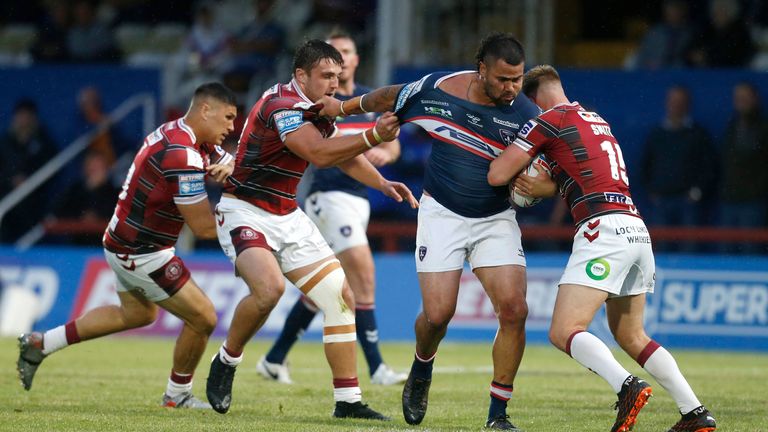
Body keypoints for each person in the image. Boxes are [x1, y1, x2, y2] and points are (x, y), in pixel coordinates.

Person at [317, 32, 540, 430]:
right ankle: (422, 367)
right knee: (438, 315)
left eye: (518, 79)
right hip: (442, 215)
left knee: (515, 310)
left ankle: (498, 414)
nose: (511, 88)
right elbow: (388, 97)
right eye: (503, 79)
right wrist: (344, 108)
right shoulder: (438, 89)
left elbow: (549, 165)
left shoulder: (525, 114)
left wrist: (543, 187)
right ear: (482, 69)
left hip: (495, 218)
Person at [488, 64, 717, 432]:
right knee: (631, 335)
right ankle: (695, 413)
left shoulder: (548, 120)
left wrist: (517, 173)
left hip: (602, 230)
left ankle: (626, 386)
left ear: (534, 100)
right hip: (635, 229)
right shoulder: (595, 120)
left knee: (563, 331)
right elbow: (571, 175)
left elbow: (498, 174)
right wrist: (544, 185)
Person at [205, 39, 418, 420]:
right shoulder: (282, 105)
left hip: (288, 214)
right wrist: (374, 136)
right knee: (269, 290)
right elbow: (318, 154)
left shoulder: (320, 110)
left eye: (337, 76)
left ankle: (348, 401)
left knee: (341, 297)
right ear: (300, 75)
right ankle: (227, 360)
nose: (334, 84)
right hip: (245, 210)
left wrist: (382, 183)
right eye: (325, 76)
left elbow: (340, 152)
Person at [16, 82, 238, 409]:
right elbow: (204, 228)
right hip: (142, 251)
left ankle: (41, 343)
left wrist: (232, 166)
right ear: (206, 110)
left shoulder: (180, 133)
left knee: (135, 314)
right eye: (229, 117)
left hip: (124, 241)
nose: (232, 127)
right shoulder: (182, 153)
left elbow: (229, 161)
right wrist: (247, 219)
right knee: (203, 317)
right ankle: (176, 396)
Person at [255, 30, 407, 387]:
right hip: (330, 197)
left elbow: (391, 142)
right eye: (333, 55)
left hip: (359, 199)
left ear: (352, 61)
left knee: (325, 289)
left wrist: (387, 152)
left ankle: (274, 358)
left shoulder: (365, 100)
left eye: (347, 52)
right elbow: (327, 151)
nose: (339, 62)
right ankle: (378, 367)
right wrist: (369, 143)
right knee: (363, 277)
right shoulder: (317, 106)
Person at [640, 85, 716, 251]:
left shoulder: (698, 133)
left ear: (688, 105)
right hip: (661, 201)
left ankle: (689, 276)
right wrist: (652, 190)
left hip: (688, 202)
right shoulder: (657, 133)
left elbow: (709, 166)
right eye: (672, 101)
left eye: (680, 102)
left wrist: (697, 192)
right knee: (660, 247)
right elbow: (646, 164)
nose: (676, 106)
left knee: (690, 246)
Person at [718, 81, 768, 254]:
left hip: (754, 202)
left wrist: (757, 189)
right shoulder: (731, 126)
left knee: (751, 249)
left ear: (755, 99)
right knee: (726, 250)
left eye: (745, 97)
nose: (741, 101)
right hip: (730, 199)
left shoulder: (763, 127)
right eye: (738, 98)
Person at [0, 99, 58, 243]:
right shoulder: (4, 143)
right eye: (21, 116)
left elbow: (52, 171)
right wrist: (11, 180)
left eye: (27, 116)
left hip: (33, 204)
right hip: (7, 200)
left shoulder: (44, 144)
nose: (24, 121)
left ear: (34, 119)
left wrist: (29, 179)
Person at [630, 0, 694, 69]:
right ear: (665, 10)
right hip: (654, 75)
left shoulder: (691, 34)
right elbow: (641, 57)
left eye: (678, 8)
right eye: (671, 8)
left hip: (680, 75)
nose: (675, 12)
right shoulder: (654, 33)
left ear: (684, 10)